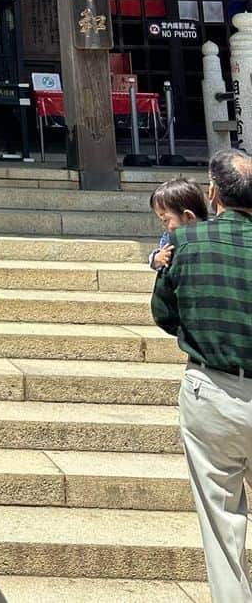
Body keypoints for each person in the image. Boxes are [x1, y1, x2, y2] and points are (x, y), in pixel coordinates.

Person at [151, 150, 252, 601]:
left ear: (213, 193)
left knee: (221, 520)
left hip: (212, 389)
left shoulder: (187, 243)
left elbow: (166, 316)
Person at [148, 178, 210, 271]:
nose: (163, 225)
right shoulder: (169, 240)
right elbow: (155, 259)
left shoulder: (211, 234)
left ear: (189, 216)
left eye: (165, 220)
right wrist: (157, 259)